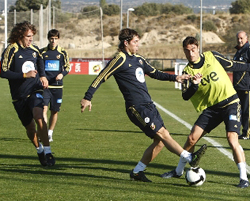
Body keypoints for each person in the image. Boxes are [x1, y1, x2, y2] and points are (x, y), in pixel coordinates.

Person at [80, 28, 207, 182]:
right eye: (135, 42)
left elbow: (155, 73)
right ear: (126, 43)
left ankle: (137, 172)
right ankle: (189, 157)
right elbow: (101, 76)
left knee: (160, 142)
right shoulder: (119, 59)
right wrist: (88, 97)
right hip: (136, 107)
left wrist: (176, 78)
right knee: (163, 135)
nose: (138, 45)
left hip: (148, 105)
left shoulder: (138, 59)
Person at [161, 36, 249, 188]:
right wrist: (194, 85)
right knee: (191, 138)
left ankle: (243, 178)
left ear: (198, 48)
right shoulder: (187, 71)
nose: (191, 54)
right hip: (212, 108)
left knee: (231, 138)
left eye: (193, 50)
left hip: (231, 103)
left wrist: (248, 66)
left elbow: (232, 65)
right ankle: (178, 171)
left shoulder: (211, 56)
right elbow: (185, 96)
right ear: (184, 52)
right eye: (187, 51)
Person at [0, 21, 55, 167]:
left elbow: (40, 61)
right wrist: (24, 75)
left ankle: (48, 153)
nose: (31, 39)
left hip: (35, 89)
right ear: (20, 35)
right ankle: (40, 150)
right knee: (30, 129)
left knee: (39, 116)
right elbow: (3, 72)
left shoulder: (34, 49)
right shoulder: (11, 50)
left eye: (32, 36)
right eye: (28, 36)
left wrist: (42, 76)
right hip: (19, 96)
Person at [40, 29, 70, 142]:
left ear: (58, 39)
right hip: (45, 87)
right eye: (51, 38)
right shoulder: (42, 52)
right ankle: (43, 132)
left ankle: (50, 133)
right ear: (48, 39)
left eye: (55, 39)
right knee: (43, 109)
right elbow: (39, 67)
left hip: (57, 87)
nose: (53, 41)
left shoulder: (63, 53)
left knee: (54, 111)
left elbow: (67, 67)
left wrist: (62, 74)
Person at [233, 31, 250, 140]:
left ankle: (247, 132)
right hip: (237, 86)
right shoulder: (238, 51)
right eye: (238, 38)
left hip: (246, 86)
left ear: (246, 38)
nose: (239, 40)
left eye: (241, 38)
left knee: (246, 111)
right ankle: (241, 131)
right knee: (238, 110)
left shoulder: (248, 50)